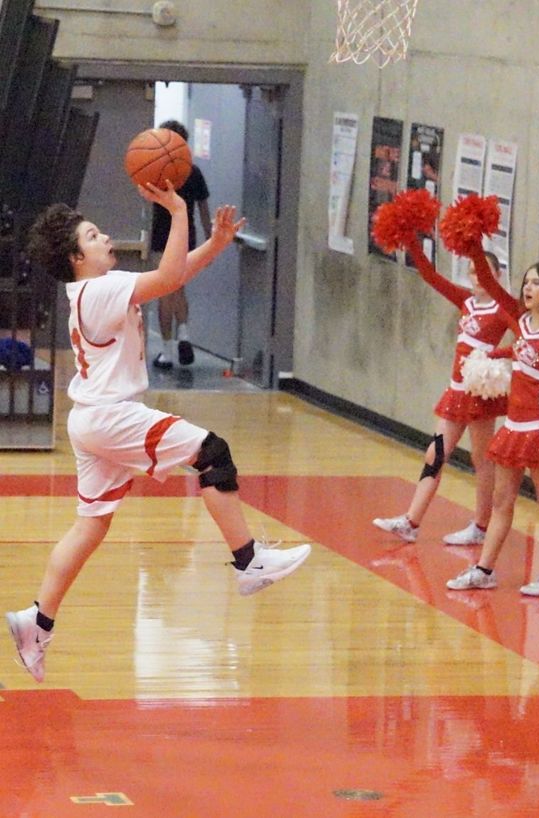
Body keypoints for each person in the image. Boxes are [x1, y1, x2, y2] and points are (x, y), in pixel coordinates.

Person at [5, 182, 311, 683]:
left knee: (90, 526)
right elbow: (169, 277)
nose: (106, 237)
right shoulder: (99, 291)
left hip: (92, 418)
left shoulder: (96, 287)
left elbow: (171, 275)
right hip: (112, 415)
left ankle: (36, 623)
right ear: (76, 258)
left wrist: (214, 245)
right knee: (213, 453)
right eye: (93, 235)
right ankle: (248, 560)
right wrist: (177, 209)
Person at [445, 258, 539, 595]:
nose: (528, 288)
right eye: (526, 282)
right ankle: (483, 570)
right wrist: (495, 356)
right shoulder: (523, 321)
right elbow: (519, 348)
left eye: (536, 283)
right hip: (514, 425)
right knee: (501, 501)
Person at [372, 248, 516, 545]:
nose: (477, 277)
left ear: (497, 275)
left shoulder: (502, 308)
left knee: (481, 461)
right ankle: (411, 522)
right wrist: (410, 240)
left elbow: (527, 342)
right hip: (456, 391)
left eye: (484, 272)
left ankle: (481, 526)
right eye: (473, 271)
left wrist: (493, 356)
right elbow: (429, 276)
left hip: (480, 394)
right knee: (435, 453)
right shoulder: (466, 301)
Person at [150, 120, 211, 370]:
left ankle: (166, 353)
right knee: (179, 288)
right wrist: (211, 244)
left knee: (165, 292)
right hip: (187, 237)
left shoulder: (155, 171)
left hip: (162, 238)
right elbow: (204, 210)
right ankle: (184, 335)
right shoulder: (193, 172)